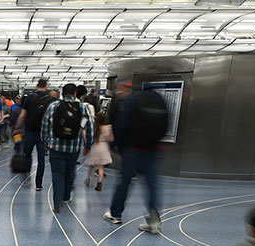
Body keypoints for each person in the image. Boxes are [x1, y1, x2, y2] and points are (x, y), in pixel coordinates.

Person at [104, 86, 170, 232]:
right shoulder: (160, 100)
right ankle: (154, 220)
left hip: (132, 150)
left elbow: (123, 126)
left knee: (124, 183)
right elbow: (166, 125)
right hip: (152, 149)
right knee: (152, 185)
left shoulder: (132, 100)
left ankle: (115, 214)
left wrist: (117, 146)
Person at [40, 83, 94, 213]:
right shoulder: (82, 107)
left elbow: (44, 126)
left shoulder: (53, 107)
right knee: (70, 172)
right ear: (75, 94)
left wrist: (46, 142)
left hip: (56, 148)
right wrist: (88, 144)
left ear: (62, 94)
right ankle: (66, 197)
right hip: (74, 148)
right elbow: (90, 127)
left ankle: (57, 203)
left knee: (57, 174)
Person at [16, 78, 52, 189]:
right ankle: (39, 184)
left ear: (37, 85)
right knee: (41, 159)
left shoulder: (29, 98)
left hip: (30, 132)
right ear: (46, 86)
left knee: (27, 155)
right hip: (43, 133)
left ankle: (26, 178)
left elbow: (22, 115)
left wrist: (17, 127)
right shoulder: (50, 99)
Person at [84, 111, 113, 191]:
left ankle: (88, 180)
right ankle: (99, 184)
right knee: (101, 167)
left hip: (95, 147)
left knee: (91, 165)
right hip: (104, 147)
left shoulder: (95, 127)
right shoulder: (108, 127)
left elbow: (88, 135)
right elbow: (111, 139)